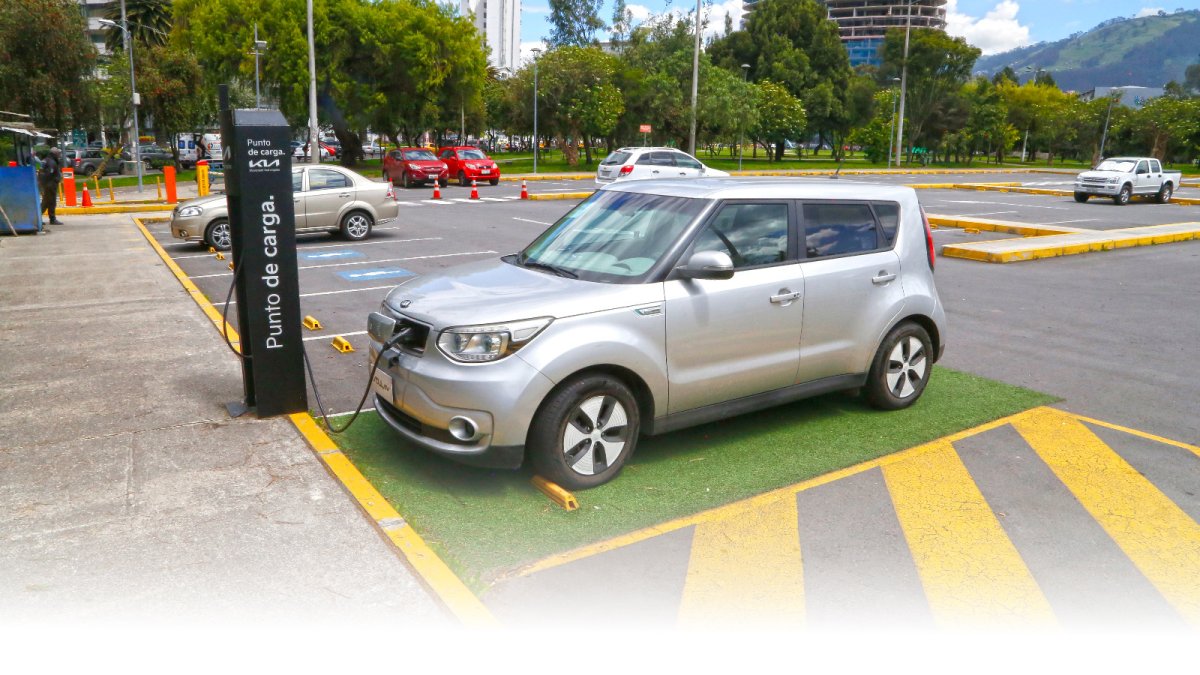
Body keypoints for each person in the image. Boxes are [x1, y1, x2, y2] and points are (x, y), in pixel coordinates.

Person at [38, 146, 64, 225]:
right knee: (50, 202)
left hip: (45, 184)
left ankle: (38, 218)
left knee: (46, 202)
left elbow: (41, 171)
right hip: (50, 184)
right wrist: (53, 181)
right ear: (55, 154)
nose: (59, 155)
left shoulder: (45, 160)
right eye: (58, 153)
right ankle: (52, 219)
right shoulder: (52, 162)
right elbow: (50, 173)